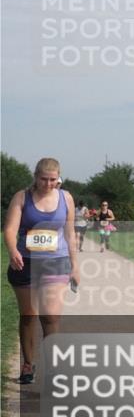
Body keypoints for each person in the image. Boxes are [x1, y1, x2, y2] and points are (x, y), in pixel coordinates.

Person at [3, 158, 81, 384]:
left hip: (55, 262)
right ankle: (28, 364)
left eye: (53, 180)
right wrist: (12, 250)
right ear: (36, 177)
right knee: (28, 316)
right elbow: (10, 229)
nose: (48, 184)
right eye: (44, 179)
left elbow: (69, 233)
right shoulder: (22, 197)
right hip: (24, 262)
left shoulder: (66, 198)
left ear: (59, 178)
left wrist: (74, 265)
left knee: (51, 316)